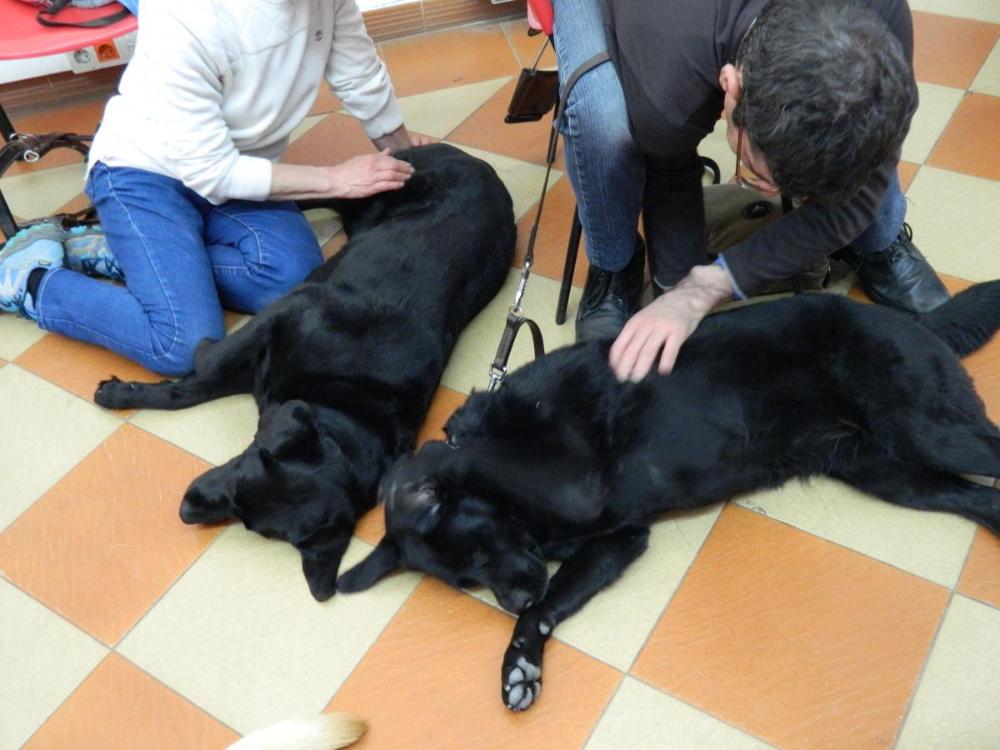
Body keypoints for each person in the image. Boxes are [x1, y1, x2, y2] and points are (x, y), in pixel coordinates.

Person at [0, 0, 428, 376]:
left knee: (292, 280)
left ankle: (125, 253)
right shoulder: (186, 14)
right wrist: (334, 179)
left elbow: (359, 75)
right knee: (183, 344)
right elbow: (214, 172)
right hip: (144, 173)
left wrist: (409, 158)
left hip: (238, 166)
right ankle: (31, 280)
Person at [553, 0, 950, 382]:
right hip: (656, 20)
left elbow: (867, 163)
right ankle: (613, 266)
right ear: (732, 85)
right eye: (760, 177)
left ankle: (878, 240)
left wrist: (714, 284)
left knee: (860, 127)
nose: (773, 191)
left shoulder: (880, 20)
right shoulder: (667, 61)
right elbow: (669, 171)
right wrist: (684, 295)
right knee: (600, 117)